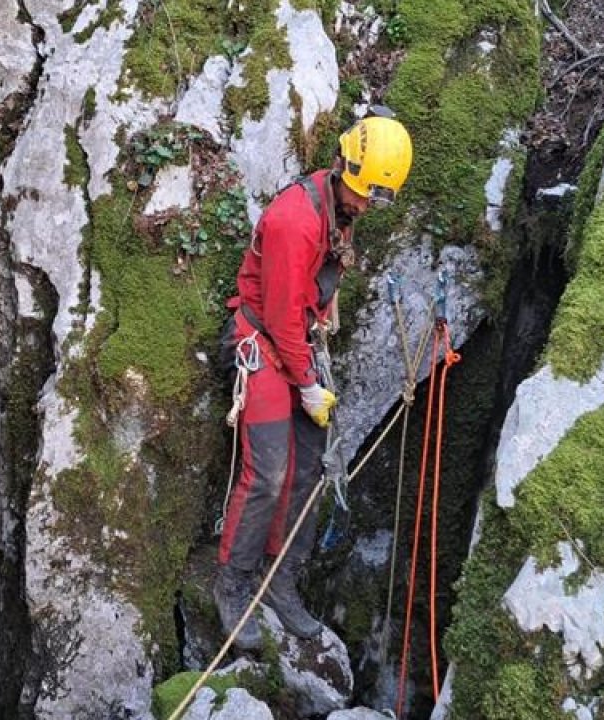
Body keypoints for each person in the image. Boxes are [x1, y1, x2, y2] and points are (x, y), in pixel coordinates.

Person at [215, 114, 414, 649]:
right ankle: (232, 585)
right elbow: (281, 316)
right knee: (269, 473)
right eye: (365, 194)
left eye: (375, 199)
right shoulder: (295, 221)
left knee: (310, 469)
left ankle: (280, 581)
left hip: (298, 346)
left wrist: (312, 352)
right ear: (343, 166)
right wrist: (307, 384)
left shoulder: (338, 209)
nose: (366, 206)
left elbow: (308, 300)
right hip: (264, 345)